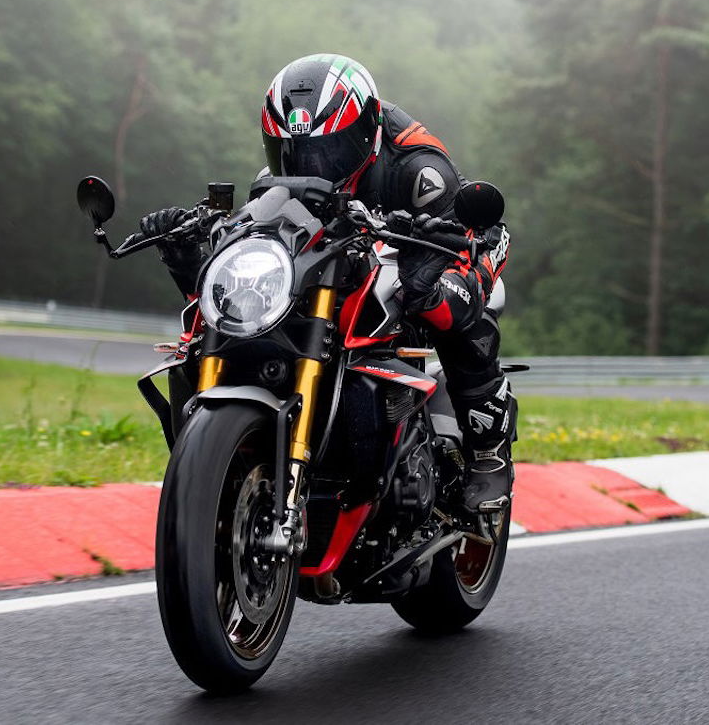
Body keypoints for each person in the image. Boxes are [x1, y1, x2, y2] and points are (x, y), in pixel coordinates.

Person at [141, 53, 514, 514]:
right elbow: (255, 267)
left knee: (446, 309)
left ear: (364, 134)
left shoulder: (421, 172)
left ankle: (488, 454)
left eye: (329, 150)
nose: (310, 163)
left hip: (443, 239)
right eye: (292, 151)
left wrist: (428, 275)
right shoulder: (274, 182)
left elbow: (464, 246)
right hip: (348, 253)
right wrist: (191, 261)